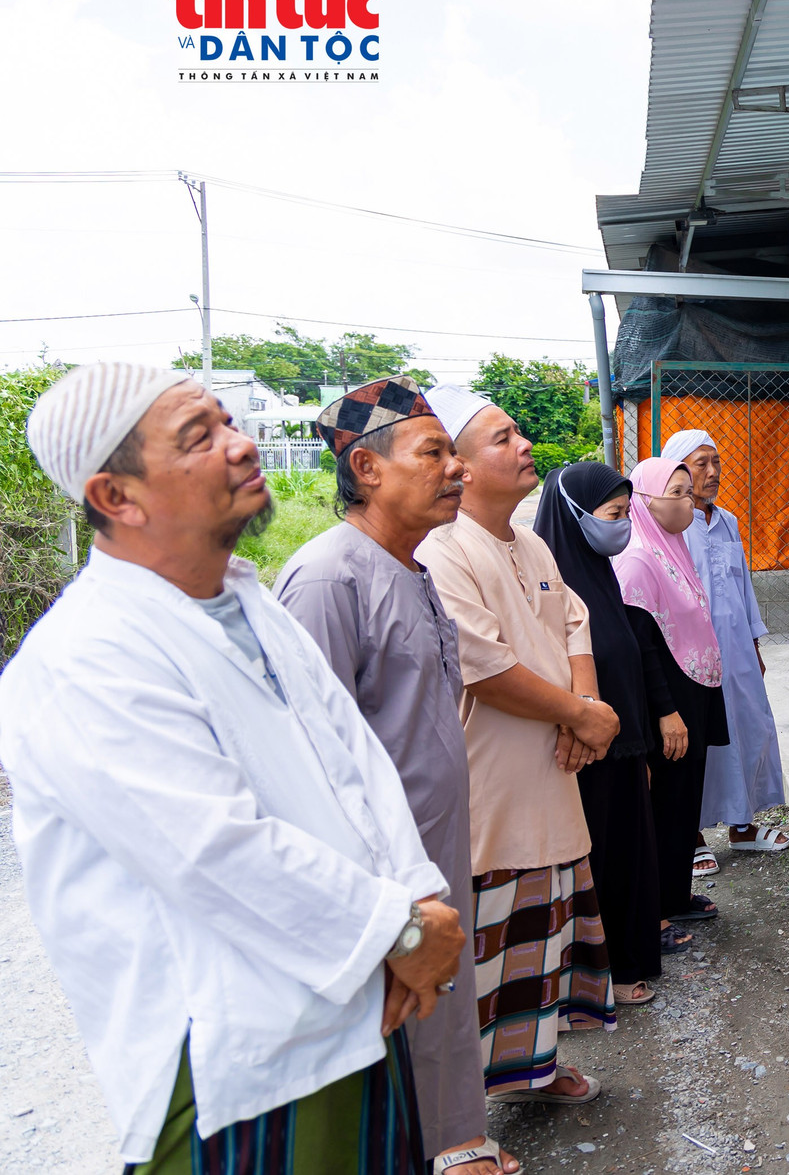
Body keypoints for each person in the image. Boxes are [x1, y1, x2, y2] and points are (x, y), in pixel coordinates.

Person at [2, 362, 463, 1173]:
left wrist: (420, 897)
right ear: (117, 497)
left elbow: (354, 760)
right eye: (200, 436)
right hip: (235, 1060)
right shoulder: (84, 656)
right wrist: (398, 927)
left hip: (359, 1002)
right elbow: (211, 850)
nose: (241, 444)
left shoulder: (245, 599)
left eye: (227, 421)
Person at [274, 377, 513, 1175]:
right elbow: (309, 760)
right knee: (393, 1009)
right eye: (434, 452)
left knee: (441, 998)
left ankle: (449, 1141)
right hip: (376, 867)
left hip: (433, 840)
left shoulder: (410, 568)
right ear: (368, 469)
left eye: (455, 452)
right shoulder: (326, 579)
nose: (457, 470)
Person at [415, 386, 617, 1104]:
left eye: (518, 431)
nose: (525, 443)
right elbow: (485, 664)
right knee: (491, 942)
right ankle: (462, 1106)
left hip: (553, 761)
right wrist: (583, 717)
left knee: (549, 928)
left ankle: (532, 1065)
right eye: (503, 438)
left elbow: (572, 621)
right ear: (461, 467)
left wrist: (584, 709)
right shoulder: (443, 551)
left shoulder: (529, 540)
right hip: (493, 779)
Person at [535, 462, 685, 1003]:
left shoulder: (600, 573)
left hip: (621, 746)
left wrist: (639, 742)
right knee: (598, 863)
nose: (622, 525)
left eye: (626, 513)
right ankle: (599, 977)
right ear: (575, 517)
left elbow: (633, 654)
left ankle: (624, 963)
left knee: (627, 858)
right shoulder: (548, 583)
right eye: (613, 514)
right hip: (581, 751)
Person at [615, 452, 734, 942]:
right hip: (671, 700)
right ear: (645, 501)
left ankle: (676, 894)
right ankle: (659, 904)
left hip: (695, 687)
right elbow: (643, 646)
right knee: (665, 801)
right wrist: (666, 711)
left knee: (685, 799)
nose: (690, 502)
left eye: (690, 493)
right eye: (679, 493)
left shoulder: (672, 547)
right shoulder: (639, 559)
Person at [667, 429, 789, 863]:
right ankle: (691, 834)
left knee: (745, 728)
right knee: (699, 737)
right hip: (690, 652)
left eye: (716, 461)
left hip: (737, 646)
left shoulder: (728, 521)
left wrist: (755, 645)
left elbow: (743, 587)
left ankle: (742, 825)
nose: (713, 471)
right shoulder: (671, 526)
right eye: (701, 463)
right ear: (678, 470)